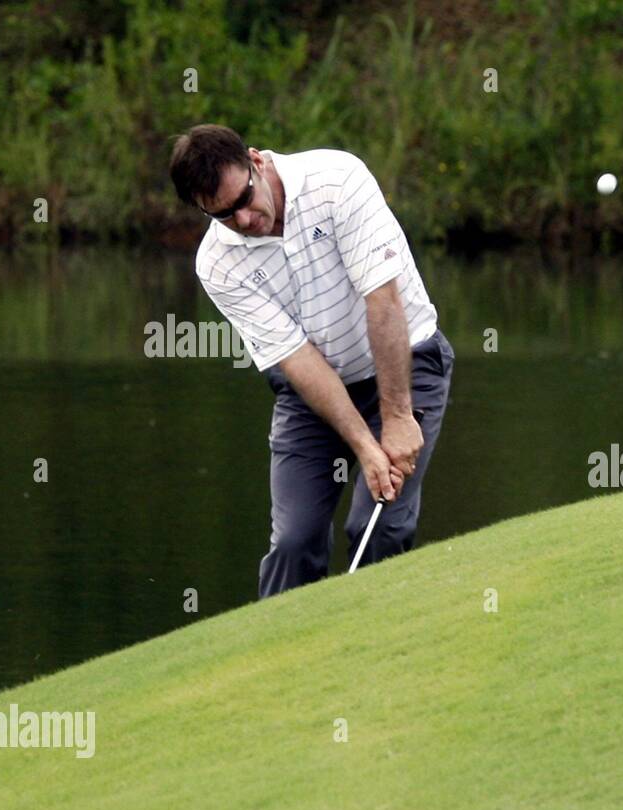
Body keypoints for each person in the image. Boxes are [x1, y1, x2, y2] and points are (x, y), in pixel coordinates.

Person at [168, 124, 454, 597]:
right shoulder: (217, 264)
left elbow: (382, 302)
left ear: (256, 162)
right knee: (294, 543)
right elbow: (297, 358)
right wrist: (365, 445)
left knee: (376, 526)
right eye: (222, 215)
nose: (242, 221)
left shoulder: (337, 181)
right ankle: (276, 663)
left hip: (407, 364)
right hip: (312, 394)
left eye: (243, 199)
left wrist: (397, 418)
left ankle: (377, 652)